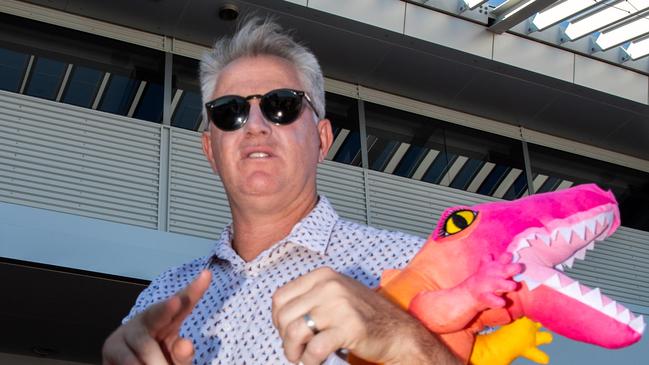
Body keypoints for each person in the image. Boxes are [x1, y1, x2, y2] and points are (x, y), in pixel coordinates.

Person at [102, 17, 463, 365]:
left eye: (282, 105)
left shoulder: (414, 264)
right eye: (230, 112)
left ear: (322, 140)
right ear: (211, 151)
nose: (255, 126)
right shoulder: (162, 297)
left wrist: (406, 343)